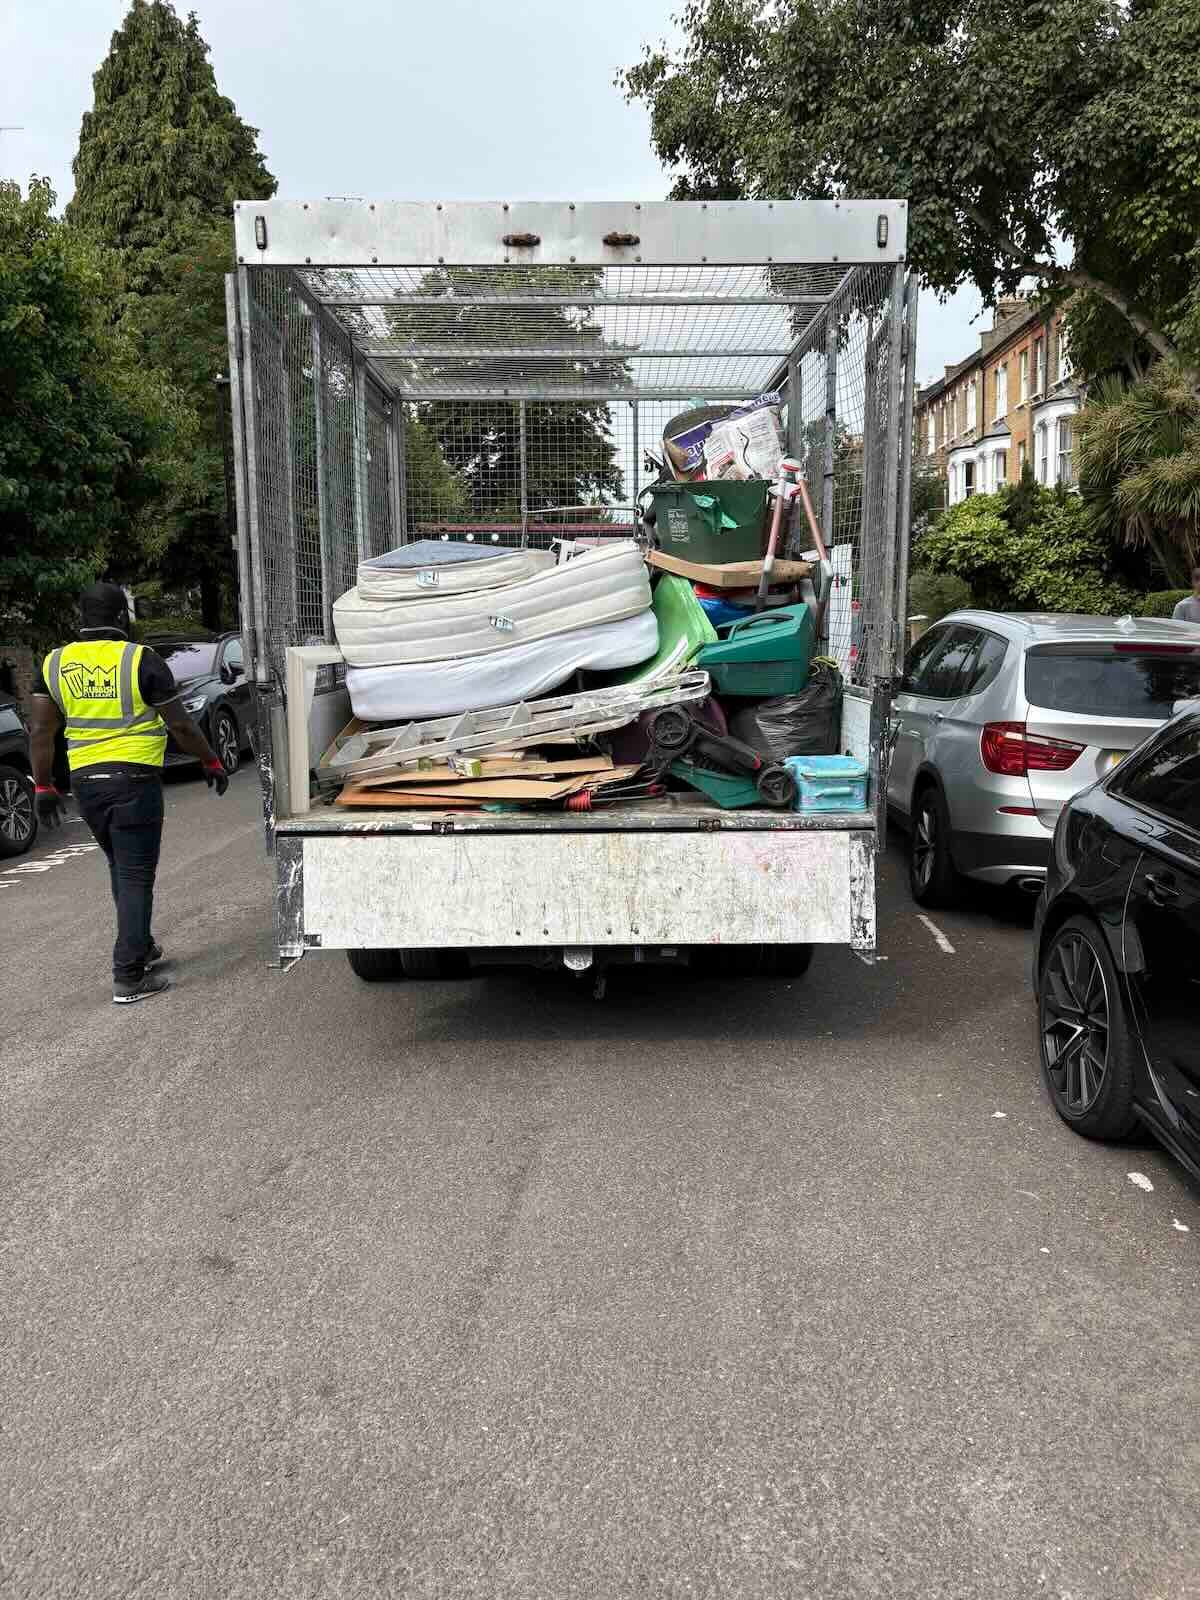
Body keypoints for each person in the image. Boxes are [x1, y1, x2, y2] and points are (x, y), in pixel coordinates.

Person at [30, 582, 231, 1004]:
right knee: (136, 874)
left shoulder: (53, 664)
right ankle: (129, 975)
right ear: (123, 617)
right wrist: (210, 761)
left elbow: (42, 731)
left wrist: (45, 785)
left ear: (80, 619)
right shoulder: (141, 659)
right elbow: (180, 725)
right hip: (134, 781)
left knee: (121, 867)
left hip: (87, 785)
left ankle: (140, 945)